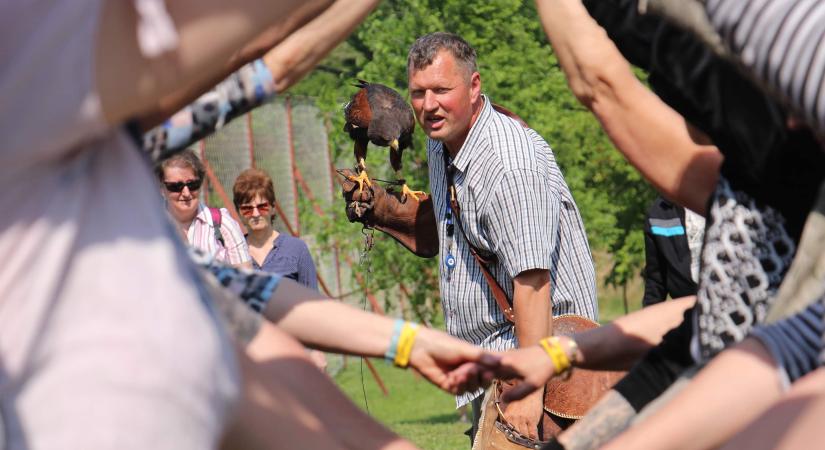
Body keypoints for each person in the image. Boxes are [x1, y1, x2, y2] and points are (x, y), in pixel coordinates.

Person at [405, 32, 599, 443]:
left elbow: (533, 282)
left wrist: (529, 389)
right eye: (418, 93)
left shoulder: (509, 165)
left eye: (442, 89)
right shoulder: (442, 145)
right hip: (492, 364)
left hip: (540, 366)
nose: (429, 105)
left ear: (474, 87)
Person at [156, 149, 253, 269]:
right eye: (176, 186)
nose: (186, 193)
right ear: (161, 188)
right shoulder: (149, 226)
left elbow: (245, 277)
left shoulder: (223, 223)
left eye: (192, 185)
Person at [232, 168, 317, 288]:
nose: (256, 214)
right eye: (247, 209)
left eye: (262, 207)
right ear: (238, 212)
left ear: (273, 207)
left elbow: (312, 300)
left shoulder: (297, 249)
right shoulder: (232, 254)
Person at [642, 195, 703, 307]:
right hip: (685, 309)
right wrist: (648, 316)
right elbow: (656, 278)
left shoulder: (725, 200)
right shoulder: (658, 213)